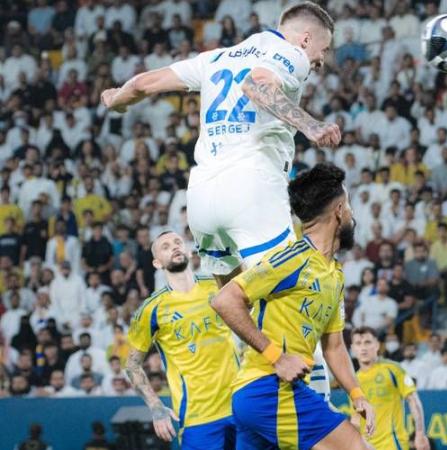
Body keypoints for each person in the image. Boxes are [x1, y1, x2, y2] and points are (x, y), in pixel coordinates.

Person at [102, 0, 340, 408]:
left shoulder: (216, 57)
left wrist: (117, 99)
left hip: (202, 198)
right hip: (252, 188)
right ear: (305, 38)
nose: (321, 60)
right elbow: (257, 85)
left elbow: (142, 84)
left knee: (233, 300)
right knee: (295, 300)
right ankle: (315, 418)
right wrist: (311, 125)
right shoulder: (290, 54)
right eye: (323, 49)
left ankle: (255, 405)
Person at [210, 164, 374, 449]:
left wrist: (356, 393)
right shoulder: (293, 259)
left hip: (259, 397)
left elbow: (334, 347)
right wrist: (278, 357)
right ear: (338, 210)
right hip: (269, 388)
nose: (351, 215)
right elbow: (224, 300)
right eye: (348, 207)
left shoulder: (334, 274)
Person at [125, 231, 237, 449]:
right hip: (198, 418)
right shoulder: (151, 310)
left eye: (178, 242)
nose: (174, 247)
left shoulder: (217, 287)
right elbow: (132, 365)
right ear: (157, 263)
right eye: (165, 246)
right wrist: (156, 407)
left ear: (188, 250)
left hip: (241, 407)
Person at [350, 326, 429, 450]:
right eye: (358, 343)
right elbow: (356, 417)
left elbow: (413, 400)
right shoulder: (353, 380)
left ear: (377, 345)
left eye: (367, 342)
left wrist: (419, 433)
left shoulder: (393, 369)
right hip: (367, 446)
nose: (363, 348)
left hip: (393, 444)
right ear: (353, 348)